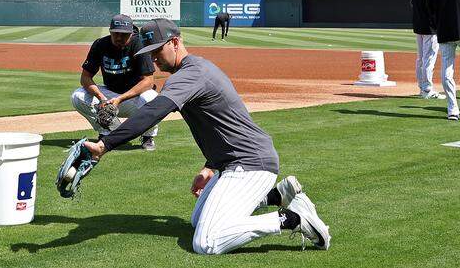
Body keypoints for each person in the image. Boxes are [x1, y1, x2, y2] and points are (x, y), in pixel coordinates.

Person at [78, 19, 331, 254]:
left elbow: (153, 112)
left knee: (207, 241)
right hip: (231, 164)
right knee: (197, 220)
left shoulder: (191, 74)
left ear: (175, 42)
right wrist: (210, 166)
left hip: (250, 164)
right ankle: (275, 196)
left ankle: (293, 219)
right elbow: (222, 123)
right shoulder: (192, 71)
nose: (154, 58)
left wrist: (105, 144)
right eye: (150, 53)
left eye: (157, 50)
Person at [71, 14, 158, 151]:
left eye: (123, 35)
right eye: (116, 33)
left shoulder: (139, 45)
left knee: (151, 98)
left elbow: (148, 81)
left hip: (134, 97)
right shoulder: (100, 44)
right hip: (110, 94)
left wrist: (120, 99)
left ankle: (148, 136)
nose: (119, 37)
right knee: (78, 96)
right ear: (110, 31)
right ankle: (108, 132)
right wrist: (102, 98)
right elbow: (85, 78)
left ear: (131, 33)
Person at [410, 0, 443, 99]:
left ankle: (422, 88)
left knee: (421, 58)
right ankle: (427, 89)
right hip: (430, 26)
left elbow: (411, 2)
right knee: (429, 58)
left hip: (419, 24)